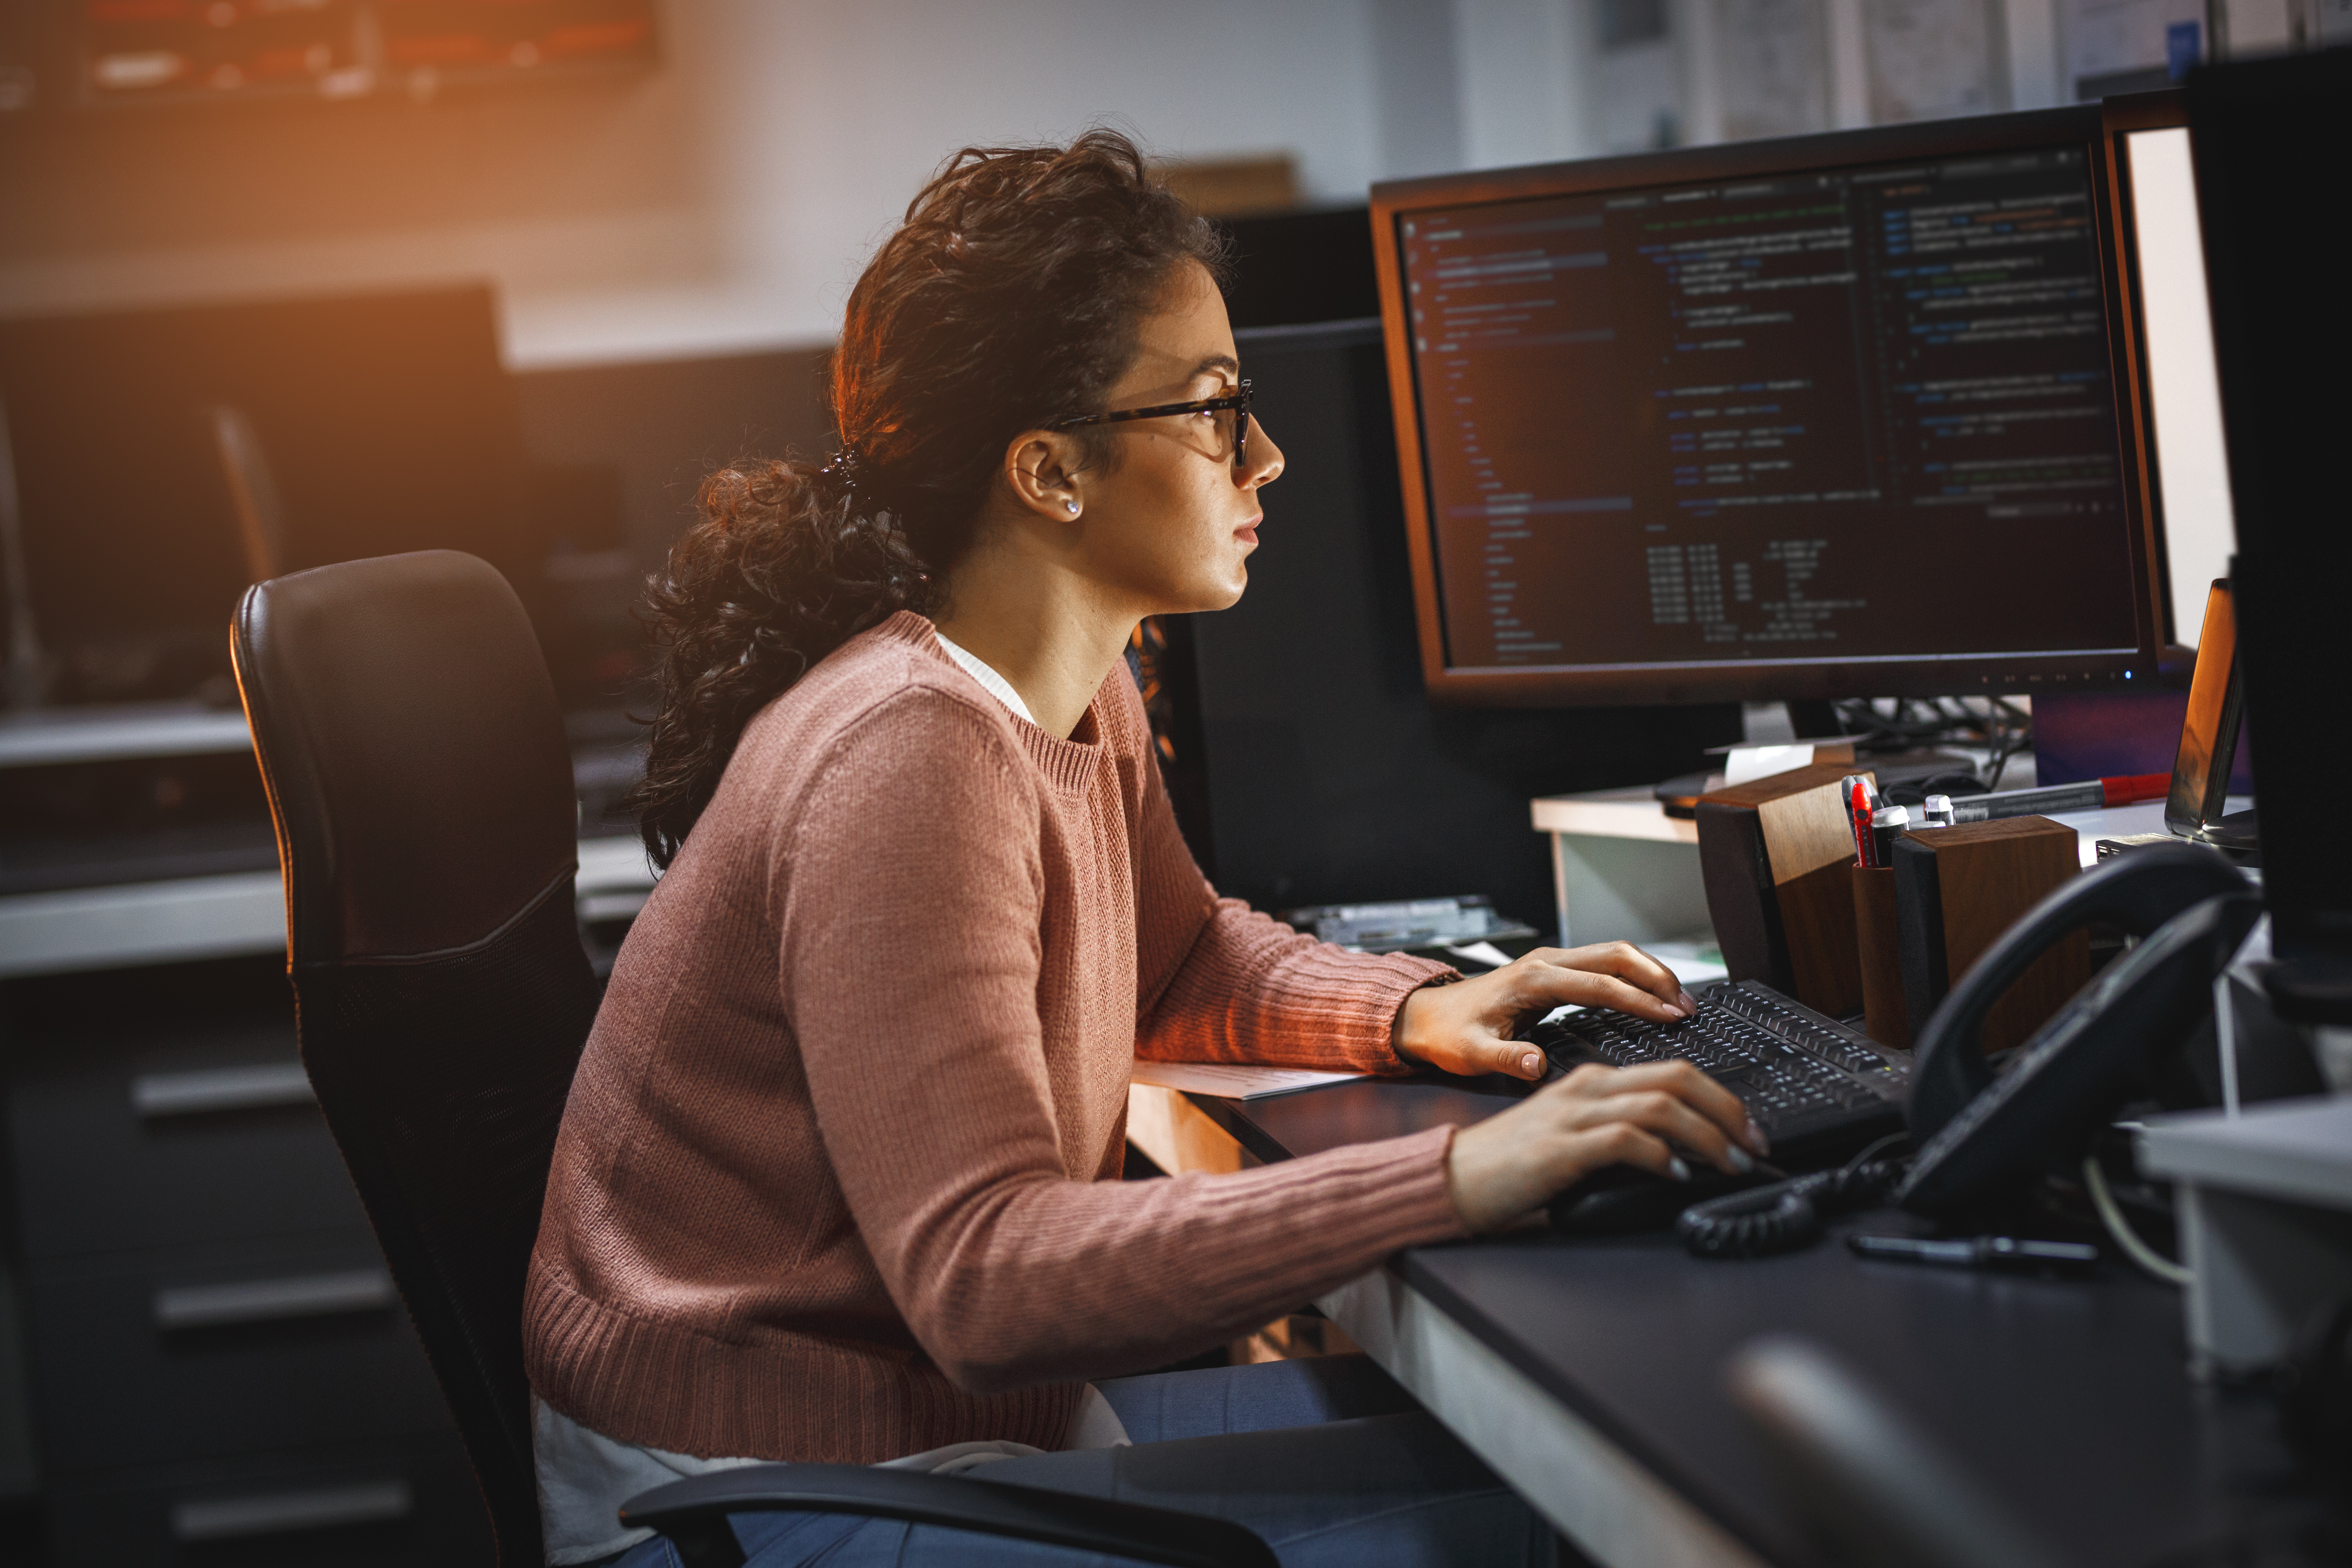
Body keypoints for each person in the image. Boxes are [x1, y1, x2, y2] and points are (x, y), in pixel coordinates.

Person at [525, 130, 1764, 1568]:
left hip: (922, 1425)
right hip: (757, 1487)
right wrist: (1460, 1180)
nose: (1270, 454)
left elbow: (1170, 955)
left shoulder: (1075, 678)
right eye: (1216, 409)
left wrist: (1413, 1005)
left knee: (1528, 1488)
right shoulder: (906, 754)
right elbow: (982, 1280)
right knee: (1549, 1531)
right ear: (1050, 471)